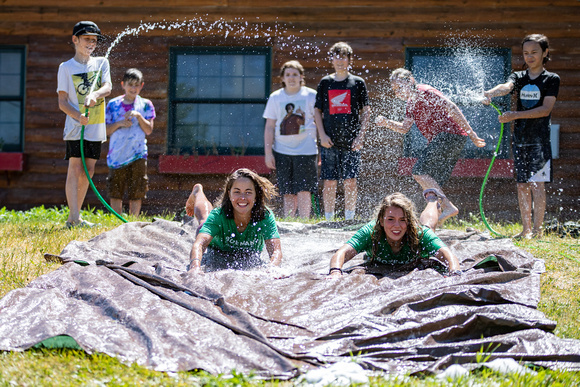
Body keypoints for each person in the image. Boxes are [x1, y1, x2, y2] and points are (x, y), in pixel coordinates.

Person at [375, 68, 486, 225]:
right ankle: (435, 221)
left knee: (419, 172)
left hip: (450, 135)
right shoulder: (410, 103)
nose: (397, 93)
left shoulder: (425, 91)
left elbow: (452, 108)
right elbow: (404, 128)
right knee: (432, 183)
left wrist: (473, 135)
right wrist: (387, 122)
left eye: (399, 87)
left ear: (410, 81)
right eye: (394, 90)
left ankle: (448, 207)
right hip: (451, 139)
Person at [482, 34, 559, 239]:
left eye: (534, 52)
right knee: (522, 184)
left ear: (545, 53)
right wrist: (490, 92)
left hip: (540, 140)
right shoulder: (518, 78)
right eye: (526, 53)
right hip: (520, 139)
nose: (530, 56)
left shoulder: (551, 79)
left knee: (537, 184)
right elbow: (506, 88)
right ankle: (526, 230)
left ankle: (538, 230)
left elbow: (545, 109)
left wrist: (514, 115)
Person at [328, 191, 461, 278]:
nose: (396, 226)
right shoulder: (371, 232)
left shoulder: (419, 234)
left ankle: (432, 200)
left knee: (428, 227)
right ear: (381, 220)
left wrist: (454, 273)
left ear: (408, 221)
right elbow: (342, 253)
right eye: (391, 219)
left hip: (421, 233)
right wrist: (335, 272)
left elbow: (448, 255)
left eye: (402, 220)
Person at [57, 21, 112, 228]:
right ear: (75, 40)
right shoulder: (65, 67)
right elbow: (62, 102)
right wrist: (77, 115)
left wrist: (95, 94)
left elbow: (107, 87)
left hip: (96, 125)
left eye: (95, 40)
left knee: (88, 170)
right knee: (75, 167)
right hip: (75, 127)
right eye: (87, 39)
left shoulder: (101, 63)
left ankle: (76, 216)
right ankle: (73, 218)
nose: (92, 43)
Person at [185, 168, 282, 274]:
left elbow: (276, 250)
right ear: (229, 194)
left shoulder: (265, 216)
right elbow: (199, 244)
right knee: (204, 218)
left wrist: (272, 267)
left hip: (248, 254)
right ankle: (198, 192)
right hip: (216, 249)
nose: (242, 197)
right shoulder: (218, 215)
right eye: (237, 192)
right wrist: (195, 267)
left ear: (256, 195)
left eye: (248, 192)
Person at [314, 42, 371, 221]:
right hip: (329, 140)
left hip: (352, 141)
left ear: (349, 60)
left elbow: (367, 111)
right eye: (336, 56)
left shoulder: (357, 83)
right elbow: (317, 110)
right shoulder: (325, 83)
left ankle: (349, 218)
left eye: (343, 57)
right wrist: (322, 135)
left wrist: (360, 137)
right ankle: (329, 219)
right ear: (331, 59)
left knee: (350, 180)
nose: (340, 60)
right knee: (329, 181)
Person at [263, 60, 318, 219]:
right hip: (282, 150)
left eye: (295, 74)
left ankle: (304, 221)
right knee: (287, 190)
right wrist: (268, 153)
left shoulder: (311, 95)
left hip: (307, 149)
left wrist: (322, 149)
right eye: (288, 75)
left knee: (304, 189)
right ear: (282, 78)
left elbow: (320, 122)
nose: (292, 78)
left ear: (301, 76)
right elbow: (269, 126)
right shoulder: (275, 97)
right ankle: (289, 221)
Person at [105, 68, 156, 217]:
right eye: (130, 85)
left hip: (138, 152)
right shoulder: (113, 105)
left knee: (137, 188)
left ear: (141, 86)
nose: (133, 88)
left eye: (136, 85)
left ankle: (133, 220)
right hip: (117, 154)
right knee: (115, 189)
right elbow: (106, 130)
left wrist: (139, 117)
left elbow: (149, 130)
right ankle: (116, 220)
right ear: (123, 85)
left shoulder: (146, 105)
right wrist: (120, 123)